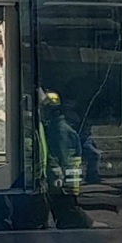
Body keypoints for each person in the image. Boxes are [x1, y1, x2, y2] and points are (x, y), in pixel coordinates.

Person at [36, 88, 93, 229]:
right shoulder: (60, 127)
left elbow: (62, 156)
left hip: (65, 181)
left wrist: (58, 178)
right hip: (67, 180)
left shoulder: (59, 130)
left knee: (66, 208)